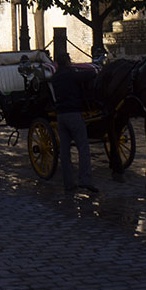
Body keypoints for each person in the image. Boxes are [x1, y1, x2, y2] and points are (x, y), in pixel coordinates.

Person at [49, 53, 99, 194]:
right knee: (83, 147)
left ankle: (68, 183)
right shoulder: (72, 74)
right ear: (68, 61)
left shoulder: (55, 78)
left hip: (60, 116)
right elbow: (90, 74)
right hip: (74, 114)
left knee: (65, 151)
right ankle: (85, 180)